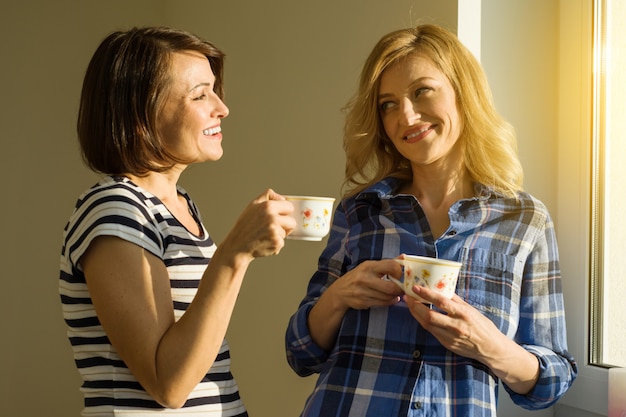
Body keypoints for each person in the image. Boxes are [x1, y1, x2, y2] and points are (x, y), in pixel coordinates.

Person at [285, 23, 577, 416]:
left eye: (422, 91)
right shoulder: (361, 212)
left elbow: (551, 382)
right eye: (388, 104)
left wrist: (488, 344)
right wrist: (340, 295)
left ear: (463, 93)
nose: (405, 115)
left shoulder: (524, 221)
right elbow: (300, 352)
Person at [59, 26, 296, 416]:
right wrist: (234, 254)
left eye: (215, 91)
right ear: (139, 115)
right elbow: (168, 384)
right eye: (200, 94)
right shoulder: (116, 208)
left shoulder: (176, 205)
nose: (222, 108)